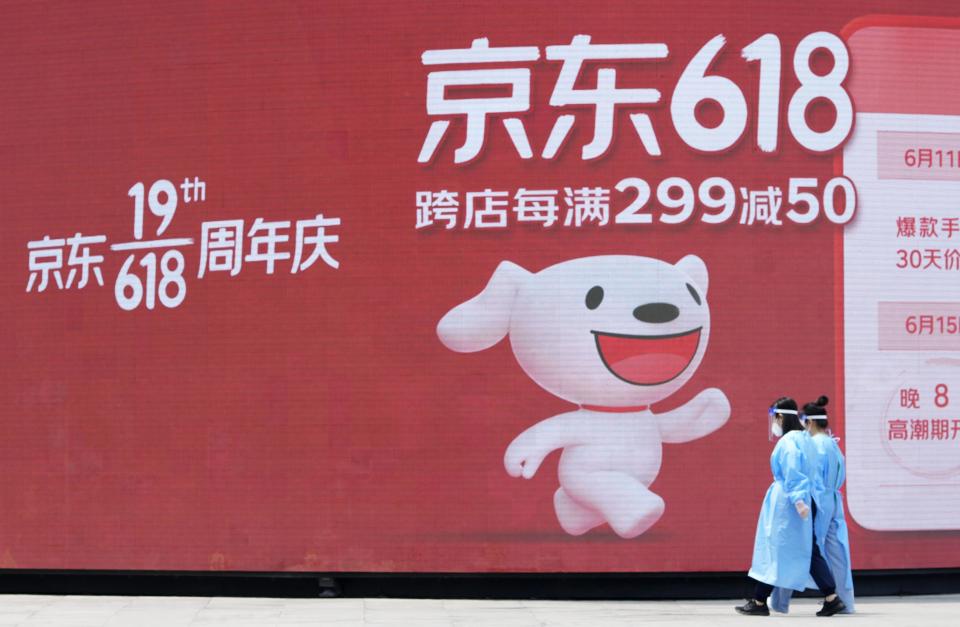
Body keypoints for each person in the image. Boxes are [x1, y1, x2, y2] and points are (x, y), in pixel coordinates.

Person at [735, 397, 846, 617]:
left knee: (775, 548)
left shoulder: (788, 442)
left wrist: (798, 501)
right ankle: (831, 597)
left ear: (779, 416)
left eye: (774, 418)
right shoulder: (807, 439)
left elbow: (793, 471)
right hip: (806, 499)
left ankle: (759, 601)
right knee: (809, 549)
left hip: (789, 504)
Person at [770, 396, 855, 614]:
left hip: (818, 499)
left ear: (809, 422)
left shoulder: (813, 444)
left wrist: (801, 501)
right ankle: (845, 601)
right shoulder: (832, 443)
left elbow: (808, 475)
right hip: (835, 499)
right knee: (838, 553)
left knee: (800, 547)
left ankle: (779, 600)